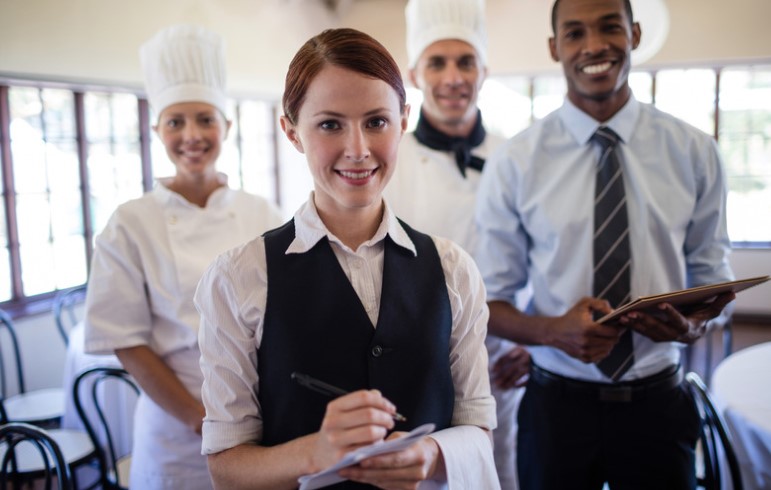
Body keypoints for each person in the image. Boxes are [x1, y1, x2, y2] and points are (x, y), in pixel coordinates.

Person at [195, 27, 500, 489]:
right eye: (330, 124)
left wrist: (432, 453)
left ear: (403, 122)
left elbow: (477, 428)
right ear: (292, 131)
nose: (357, 150)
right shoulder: (239, 277)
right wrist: (312, 453)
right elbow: (226, 467)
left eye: (376, 121)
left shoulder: (454, 269)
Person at [474, 0, 736, 488]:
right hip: (556, 411)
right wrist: (552, 331)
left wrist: (693, 327)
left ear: (634, 34)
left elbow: (713, 279)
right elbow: (488, 301)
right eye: (574, 33)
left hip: (660, 404)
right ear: (555, 48)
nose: (594, 46)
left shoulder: (695, 151)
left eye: (609, 27)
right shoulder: (514, 162)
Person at [83, 24, 284, 489]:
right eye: (175, 121)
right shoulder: (130, 222)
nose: (191, 135)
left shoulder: (262, 211)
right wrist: (201, 420)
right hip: (176, 425)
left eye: (205, 119)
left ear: (226, 126)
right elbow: (129, 343)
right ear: (157, 130)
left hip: (264, 414)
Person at [384, 0, 529, 487]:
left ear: (484, 71)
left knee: (495, 468)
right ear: (415, 74)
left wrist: (536, 345)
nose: (452, 77)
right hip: (411, 359)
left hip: (499, 357)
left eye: (465, 61)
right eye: (437, 62)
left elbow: (542, 255)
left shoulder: (513, 154)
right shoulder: (389, 159)